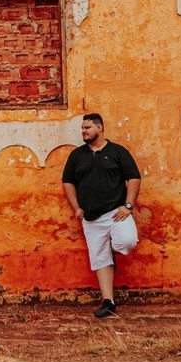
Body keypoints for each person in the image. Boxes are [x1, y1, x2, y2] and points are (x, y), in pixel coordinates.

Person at [61, 113, 141, 318]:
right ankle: (108, 302)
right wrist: (76, 208)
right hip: (91, 218)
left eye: (87, 128)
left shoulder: (117, 152)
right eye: (82, 129)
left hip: (117, 213)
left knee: (128, 241)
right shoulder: (77, 155)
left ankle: (111, 248)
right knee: (100, 260)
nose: (84, 132)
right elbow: (68, 182)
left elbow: (133, 177)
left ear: (99, 128)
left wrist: (129, 205)